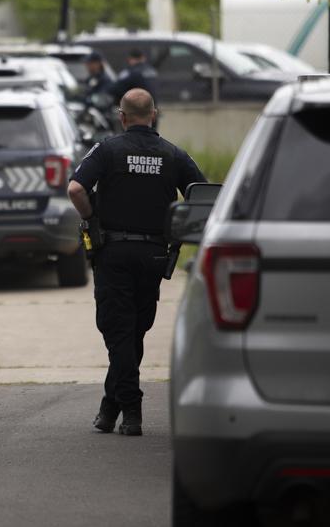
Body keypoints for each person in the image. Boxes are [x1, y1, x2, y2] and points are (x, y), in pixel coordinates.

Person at [67, 88, 205, 436]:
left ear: (122, 116)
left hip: (113, 254)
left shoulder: (108, 150)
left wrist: (92, 217)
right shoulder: (173, 155)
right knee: (133, 332)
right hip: (154, 256)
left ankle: (131, 408)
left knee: (119, 332)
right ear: (153, 114)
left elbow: (75, 190)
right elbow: (202, 195)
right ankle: (110, 407)